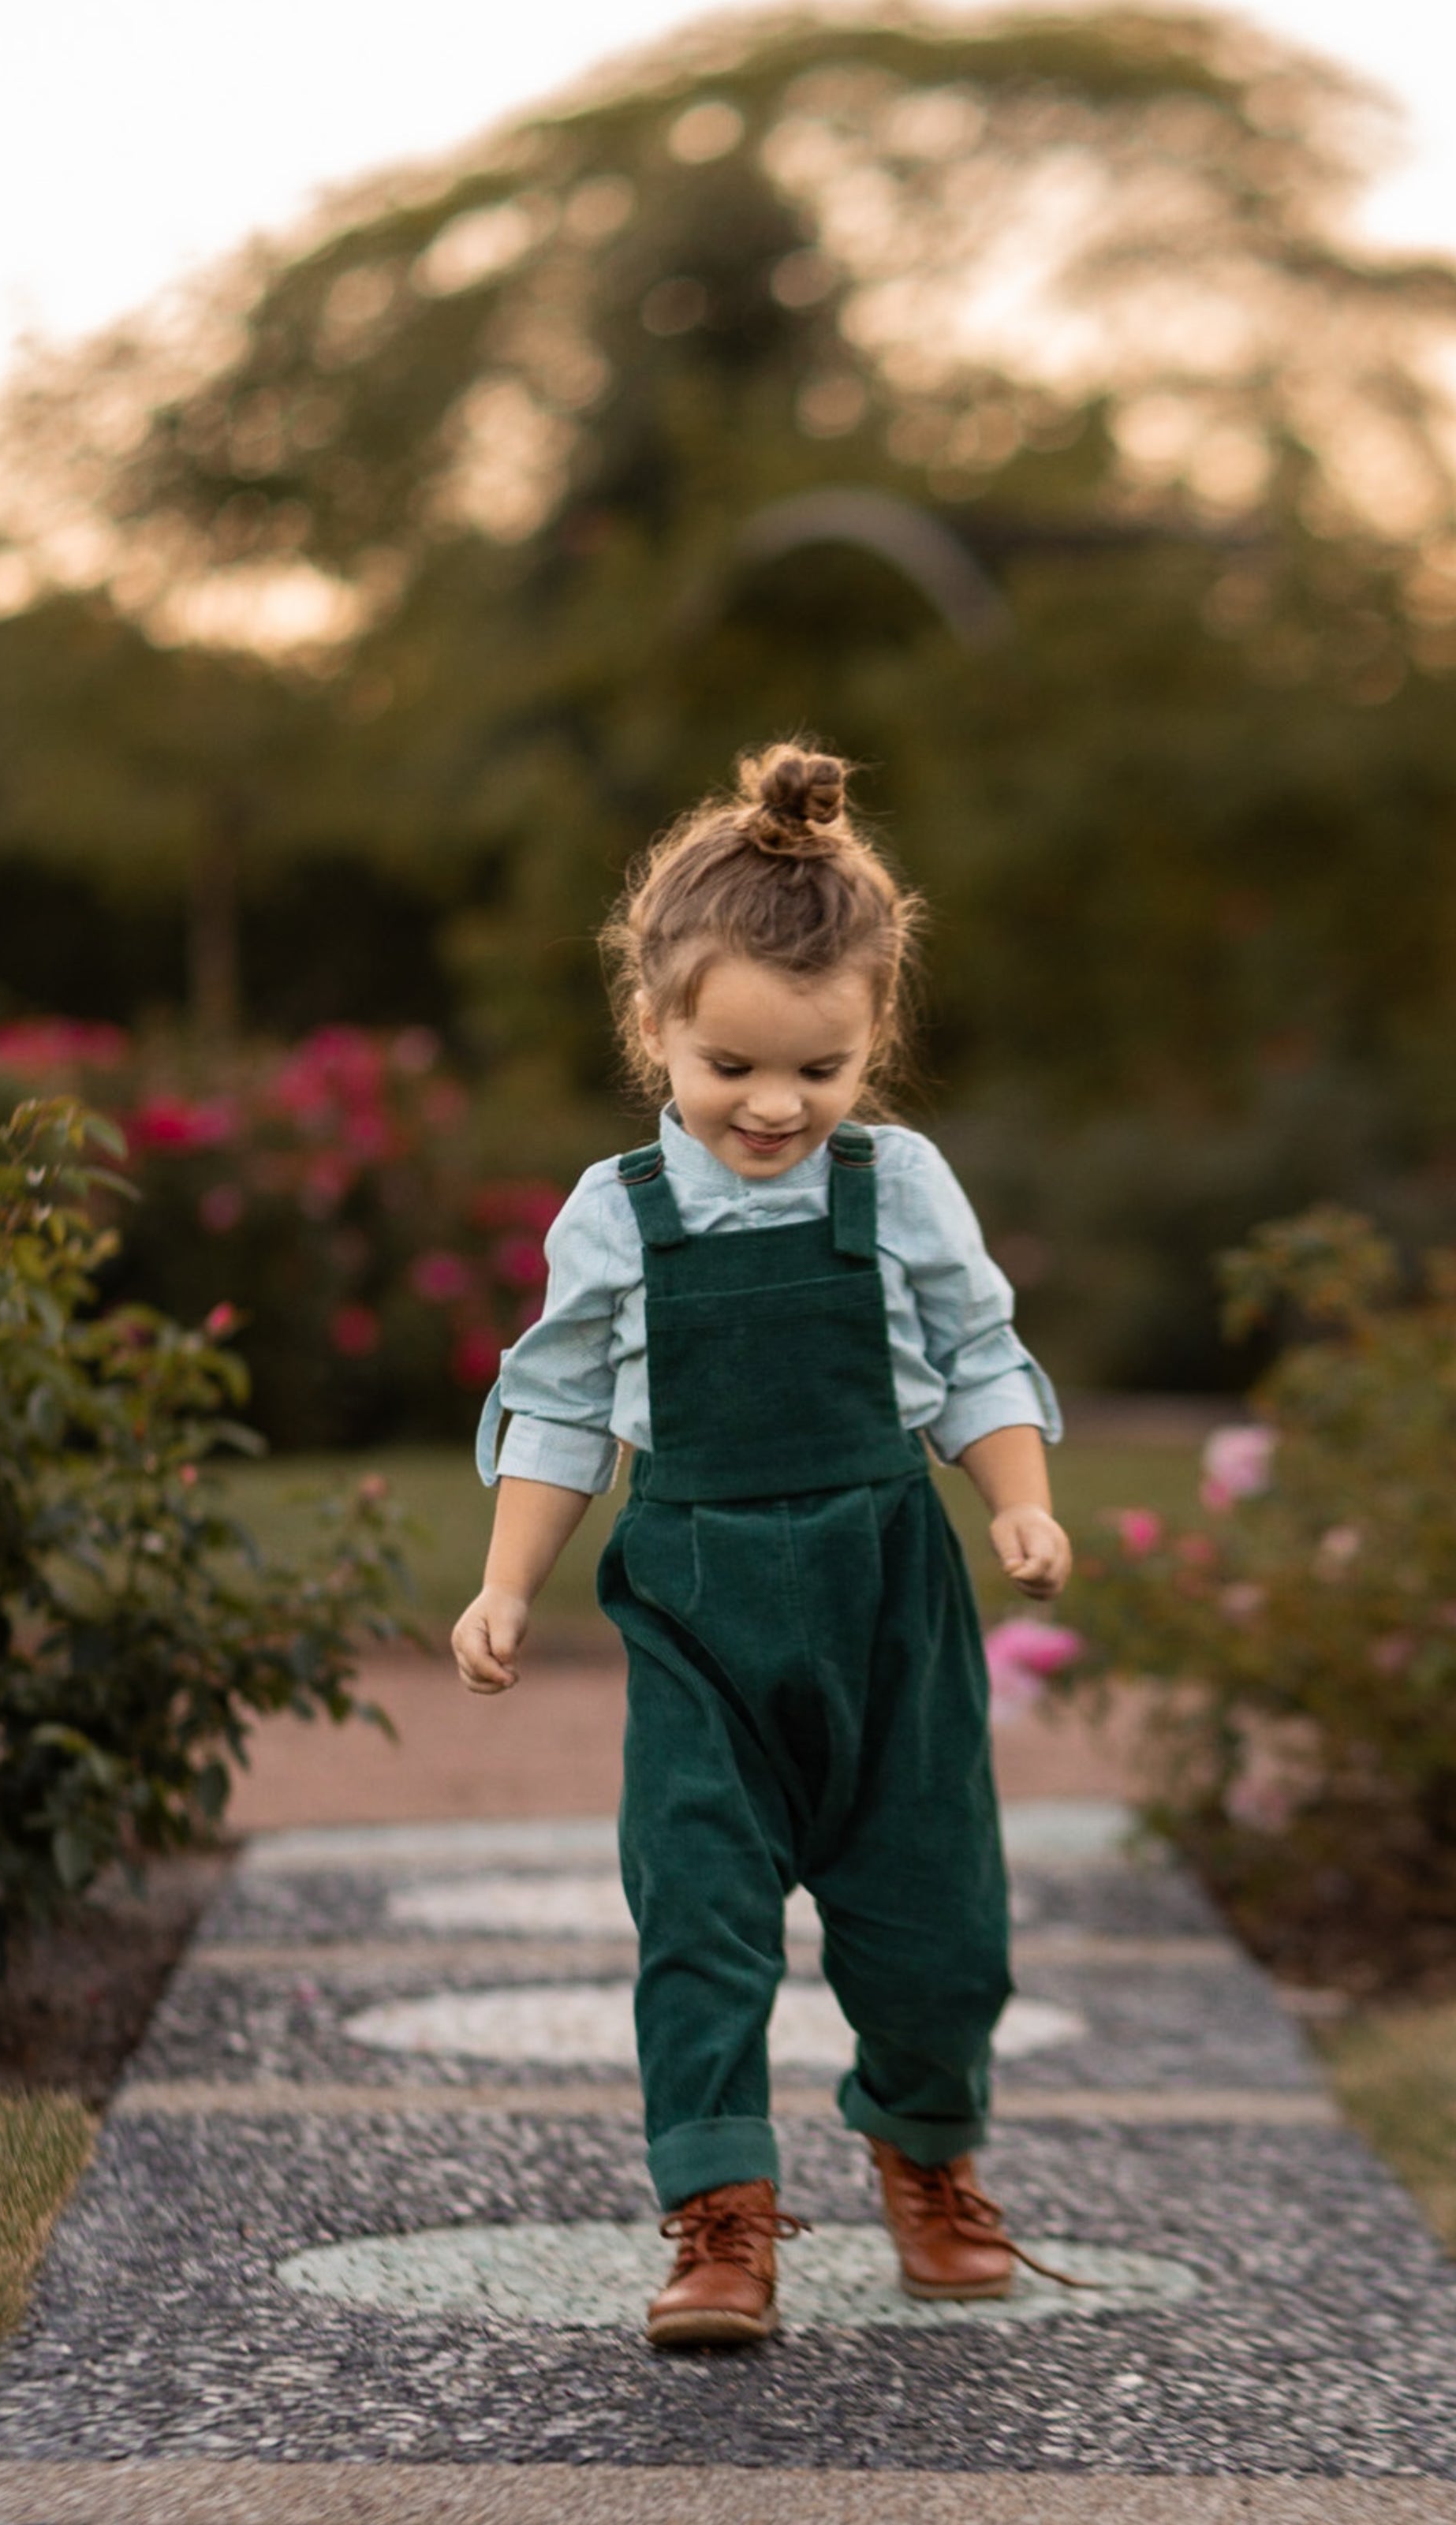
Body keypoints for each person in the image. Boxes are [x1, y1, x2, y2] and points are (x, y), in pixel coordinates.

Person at [452, 741, 1074, 2350]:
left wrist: (1015, 1494)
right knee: (699, 1913)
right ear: (652, 1024)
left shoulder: (900, 1184)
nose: (775, 1104)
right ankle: (718, 2210)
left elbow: (981, 1350)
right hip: (699, 1612)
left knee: (938, 1920)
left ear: (872, 1039)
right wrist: (506, 1580)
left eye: (822, 1068)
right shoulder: (614, 1214)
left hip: (885, 1599)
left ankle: (925, 2150)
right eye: (729, 1063)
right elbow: (564, 1400)